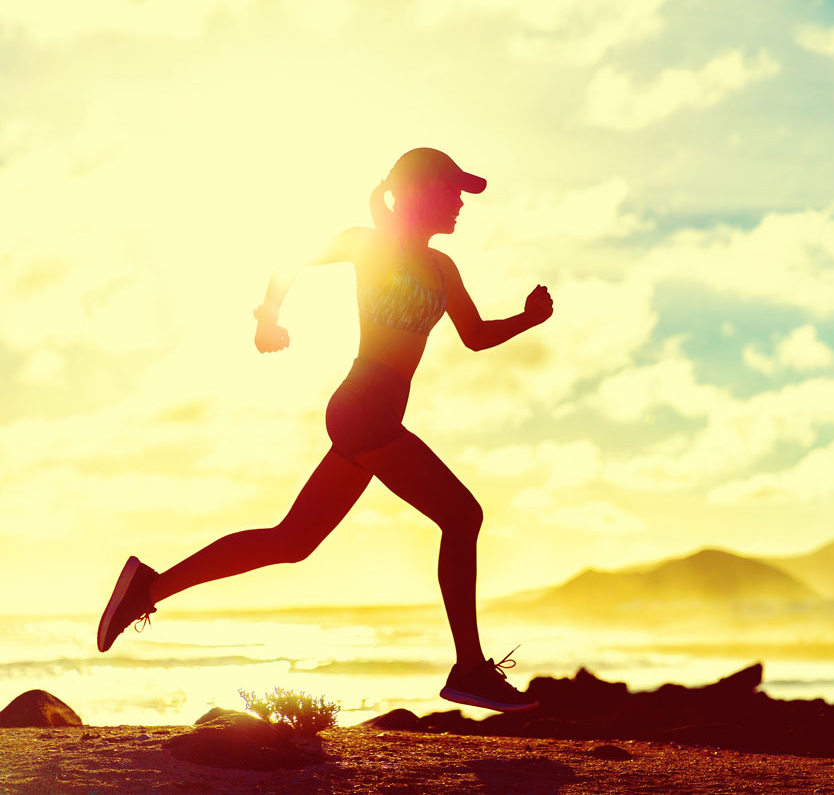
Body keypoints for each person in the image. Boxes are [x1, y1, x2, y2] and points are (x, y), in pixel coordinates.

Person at [97, 148, 552, 712]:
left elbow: (476, 335)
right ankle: (469, 668)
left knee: (290, 542)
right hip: (364, 408)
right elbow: (290, 259)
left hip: (375, 416)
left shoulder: (442, 269)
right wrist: (269, 317)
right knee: (462, 516)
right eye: (451, 190)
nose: (460, 203)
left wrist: (527, 320)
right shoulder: (369, 244)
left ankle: (148, 587)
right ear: (418, 192)